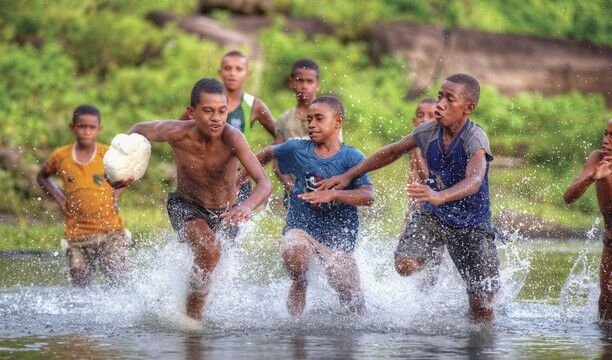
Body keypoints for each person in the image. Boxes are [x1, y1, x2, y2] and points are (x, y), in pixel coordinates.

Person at [319, 74, 499, 322]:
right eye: (439, 97)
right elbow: (392, 152)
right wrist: (350, 174)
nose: (440, 105)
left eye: (449, 99)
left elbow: (475, 180)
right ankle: (436, 263)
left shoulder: (475, 139)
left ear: (468, 108)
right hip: (434, 215)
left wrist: (440, 195)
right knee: (404, 265)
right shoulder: (427, 132)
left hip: (473, 225)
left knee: (482, 311)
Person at [119, 78, 272, 324]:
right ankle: (191, 319)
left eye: (222, 111)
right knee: (211, 250)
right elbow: (137, 130)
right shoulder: (175, 132)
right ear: (192, 112)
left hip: (226, 213)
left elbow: (265, 184)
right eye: (208, 110)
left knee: (212, 262)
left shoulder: (233, 138)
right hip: (186, 206)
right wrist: (126, 168)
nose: (216, 118)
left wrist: (245, 206)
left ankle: (190, 308)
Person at [253, 95, 374, 318]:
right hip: (301, 228)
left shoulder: (351, 157)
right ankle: (296, 309)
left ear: (338, 122)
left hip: (338, 238)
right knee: (297, 258)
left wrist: (335, 193)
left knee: (353, 299)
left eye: (319, 119)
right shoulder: (297, 149)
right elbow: (268, 153)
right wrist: (241, 177)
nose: (312, 124)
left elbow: (368, 195)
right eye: (309, 120)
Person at [37, 105, 129, 287]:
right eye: (82, 126)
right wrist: (59, 198)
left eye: (92, 127)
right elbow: (42, 176)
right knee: (79, 279)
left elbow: (126, 174)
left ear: (99, 129)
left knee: (116, 273)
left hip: (110, 231)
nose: (87, 131)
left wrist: (115, 194)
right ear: (73, 128)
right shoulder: (61, 156)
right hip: (77, 234)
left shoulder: (107, 154)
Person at [179, 50, 278, 202]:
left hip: (237, 177)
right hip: (207, 177)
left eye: (238, 69)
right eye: (228, 68)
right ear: (220, 72)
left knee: (236, 222)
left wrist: (257, 163)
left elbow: (279, 136)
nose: (233, 73)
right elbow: (179, 133)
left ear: (248, 73)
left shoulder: (254, 105)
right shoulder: (203, 104)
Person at [564, 119, 612, 321]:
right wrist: (592, 177)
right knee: (606, 303)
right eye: (605, 134)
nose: (606, 141)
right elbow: (568, 197)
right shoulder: (597, 159)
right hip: (609, 244)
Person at [274, 59, 323, 199]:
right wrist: (291, 187)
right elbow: (277, 161)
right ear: (292, 83)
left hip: (324, 188)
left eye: (309, 81)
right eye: (300, 80)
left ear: (317, 84)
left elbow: (336, 152)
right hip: (295, 191)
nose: (304, 86)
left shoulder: (328, 116)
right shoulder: (284, 120)